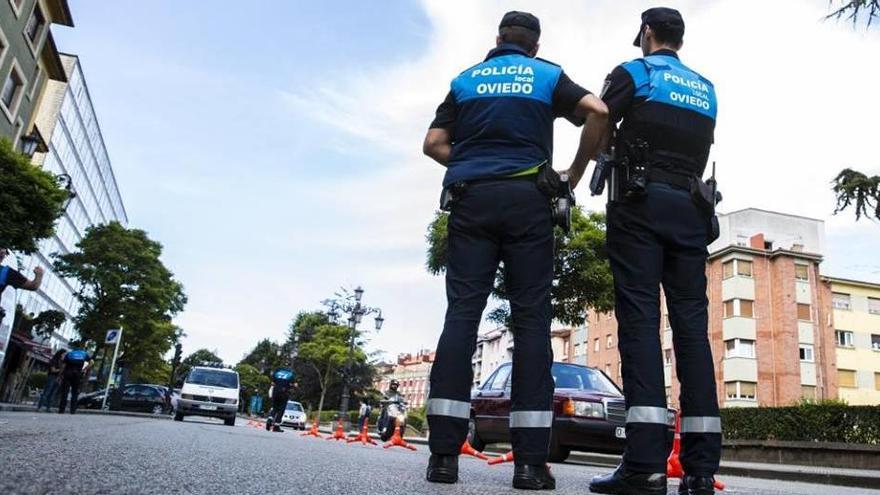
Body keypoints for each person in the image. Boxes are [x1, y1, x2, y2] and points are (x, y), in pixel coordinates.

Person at [422, 11, 608, 490]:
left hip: (471, 200)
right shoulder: (546, 75)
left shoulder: (466, 81)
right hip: (528, 201)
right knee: (530, 321)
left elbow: (433, 143)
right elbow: (599, 111)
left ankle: (442, 457)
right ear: (535, 45)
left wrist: (470, 161)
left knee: (462, 315)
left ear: (498, 39)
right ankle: (529, 465)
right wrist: (572, 173)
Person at [574, 8, 721, 495]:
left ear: (648, 33)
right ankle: (700, 471)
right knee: (692, 334)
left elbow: (598, 117)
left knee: (638, 324)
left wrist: (587, 165)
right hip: (692, 212)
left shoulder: (633, 73)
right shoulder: (705, 88)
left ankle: (644, 465)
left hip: (640, 206)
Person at [0, 248, 44, 320]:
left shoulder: (6, 272)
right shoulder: (5, 272)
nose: (3, 253)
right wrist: (39, 274)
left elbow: (33, 286)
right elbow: (33, 286)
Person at [57, 347, 93, 414]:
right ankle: (72, 410)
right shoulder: (84, 354)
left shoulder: (69, 354)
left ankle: (61, 410)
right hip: (77, 375)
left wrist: (60, 374)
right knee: (75, 393)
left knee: (65, 392)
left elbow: (63, 365)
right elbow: (91, 362)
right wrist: (84, 369)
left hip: (67, 374)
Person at [266, 367, 294, 432]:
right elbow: (294, 384)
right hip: (284, 393)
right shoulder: (290, 375)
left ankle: (270, 419)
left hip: (275, 393)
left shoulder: (277, 373)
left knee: (274, 408)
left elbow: (272, 383)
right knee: (281, 410)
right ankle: (276, 426)